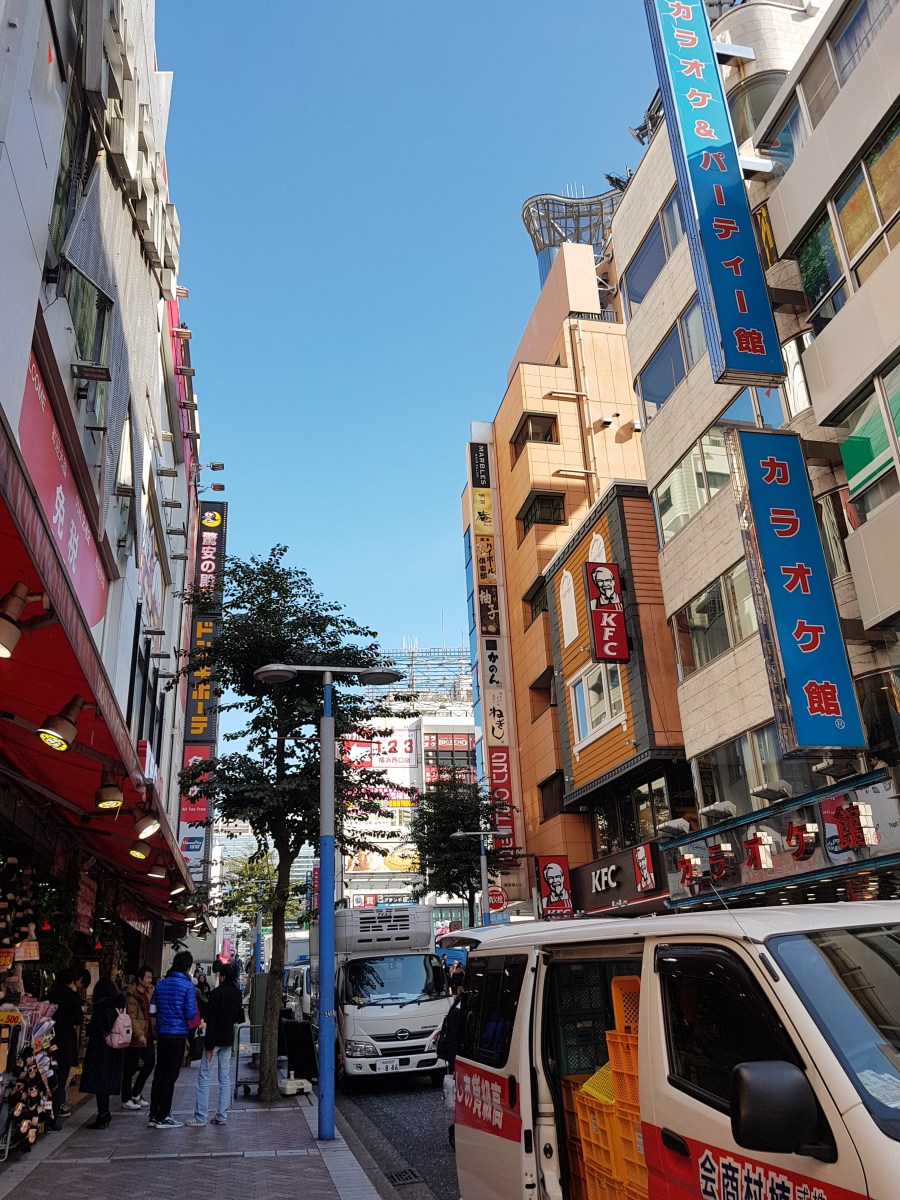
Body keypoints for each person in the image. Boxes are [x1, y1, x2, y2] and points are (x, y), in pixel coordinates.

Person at [186, 961, 244, 1127]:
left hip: (214, 1039)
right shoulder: (237, 994)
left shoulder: (216, 994)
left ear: (222, 976)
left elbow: (211, 1021)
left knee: (204, 1076)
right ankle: (222, 1115)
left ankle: (201, 1117)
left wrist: (209, 1046)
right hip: (228, 1039)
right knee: (224, 1078)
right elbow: (239, 1018)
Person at [148, 950, 197, 1129]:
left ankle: (153, 1114)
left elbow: (152, 1010)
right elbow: (190, 1013)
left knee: (159, 1073)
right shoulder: (188, 986)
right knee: (170, 1075)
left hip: (162, 1033)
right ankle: (164, 1115)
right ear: (187, 967)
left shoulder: (161, 984)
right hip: (178, 1035)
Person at [81, 977, 127, 1129]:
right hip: (116, 1047)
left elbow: (96, 1028)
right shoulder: (119, 1005)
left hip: (101, 1048)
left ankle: (102, 1114)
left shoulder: (101, 1007)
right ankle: (105, 1113)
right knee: (106, 1081)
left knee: (99, 1081)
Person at [47, 967, 85, 1125]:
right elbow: (78, 1019)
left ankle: (46, 1113)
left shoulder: (50, 994)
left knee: (48, 1076)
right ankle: (54, 1114)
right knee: (61, 1079)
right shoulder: (73, 996)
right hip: (66, 1041)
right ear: (71, 980)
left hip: (49, 1038)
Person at [121, 966, 155, 1110]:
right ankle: (126, 1098)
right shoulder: (132, 995)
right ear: (140, 979)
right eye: (148, 977)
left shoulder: (149, 992)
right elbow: (132, 1017)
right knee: (130, 1069)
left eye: (151, 977)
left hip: (147, 1035)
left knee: (150, 1063)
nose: (150, 980)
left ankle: (136, 1093)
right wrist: (139, 1034)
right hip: (136, 1038)